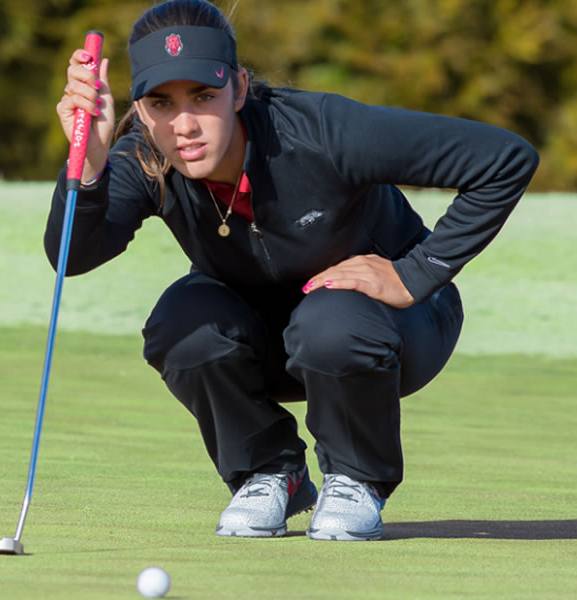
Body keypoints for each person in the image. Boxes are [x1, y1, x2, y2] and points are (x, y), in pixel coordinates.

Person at [49, 0, 537, 541]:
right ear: (139, 110)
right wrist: (89, 166)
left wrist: (416, 273)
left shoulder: (322, 130)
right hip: (272, 338)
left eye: (204, 97)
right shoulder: (146, 157)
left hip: (394, 329)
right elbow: (71, 257)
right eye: (161, 103)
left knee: (329, 322)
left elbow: (505, 159)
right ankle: (269, 473)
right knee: (181, 322)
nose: (183, 124)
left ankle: (356, 479)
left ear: (238, 87)